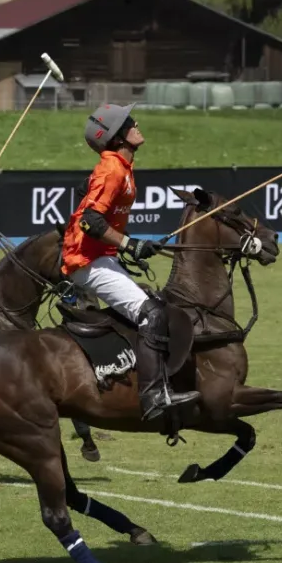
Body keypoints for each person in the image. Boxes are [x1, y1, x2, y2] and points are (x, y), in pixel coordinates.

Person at [62, 104, 200, 422]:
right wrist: (129, 244)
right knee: (151, 314)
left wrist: (129, 244)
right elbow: (90, 221)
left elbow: (90, 201)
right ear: (117, 135)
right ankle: (152, 396)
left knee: (151, 305)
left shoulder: (120, 166)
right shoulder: (112, 169)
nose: (136, 124)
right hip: (85, 261)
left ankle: (124, 371)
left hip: (99, 256)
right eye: (129, 122)